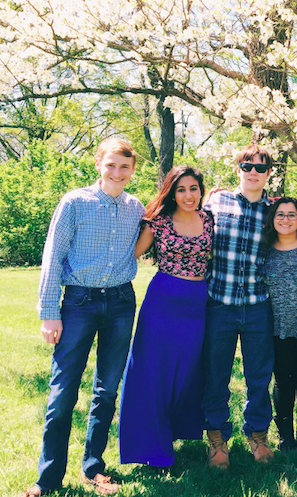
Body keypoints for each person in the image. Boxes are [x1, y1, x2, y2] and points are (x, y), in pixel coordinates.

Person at [24, 138, 144, 497]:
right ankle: (47, 479)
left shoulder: (135, 208)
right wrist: (49, 313)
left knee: (107, 391)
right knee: (62, 393)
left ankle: (94, 467)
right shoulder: (75, 202)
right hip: (77, 303)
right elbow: (53, 254)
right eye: (111, 165)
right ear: (98, 164)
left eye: (124, 166)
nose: (117, 172)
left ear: (133, 170)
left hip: (122, 303)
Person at [118, 166, 213, 468]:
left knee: (185, 373)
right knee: (153, 373)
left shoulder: (208, 220)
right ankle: (149, 447)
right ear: (172, 192)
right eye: (182, 189)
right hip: (163, 303)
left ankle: (175, 431)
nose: (188, 195)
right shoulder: (158, 222)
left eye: (193, 188)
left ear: (201, 190)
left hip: (198, 305)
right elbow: (130, 255)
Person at [202, 144, 275, 470]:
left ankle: (257, 434)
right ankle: (217, 439)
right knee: (216, 375)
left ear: (269, 173)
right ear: (238, 169)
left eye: (260, 168)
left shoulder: (276, 211)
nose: (253, 172)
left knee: (259, 376)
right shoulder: (216, 201)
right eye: (247, 166)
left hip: (258, 305)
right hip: (220, 303)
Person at [263, 197, 297, 452]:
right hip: (276, 327)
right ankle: (285, 436)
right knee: (283, 381)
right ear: (272, 218)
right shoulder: (264, 247)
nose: (285, 219)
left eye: (291, 215)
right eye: (280, 214)